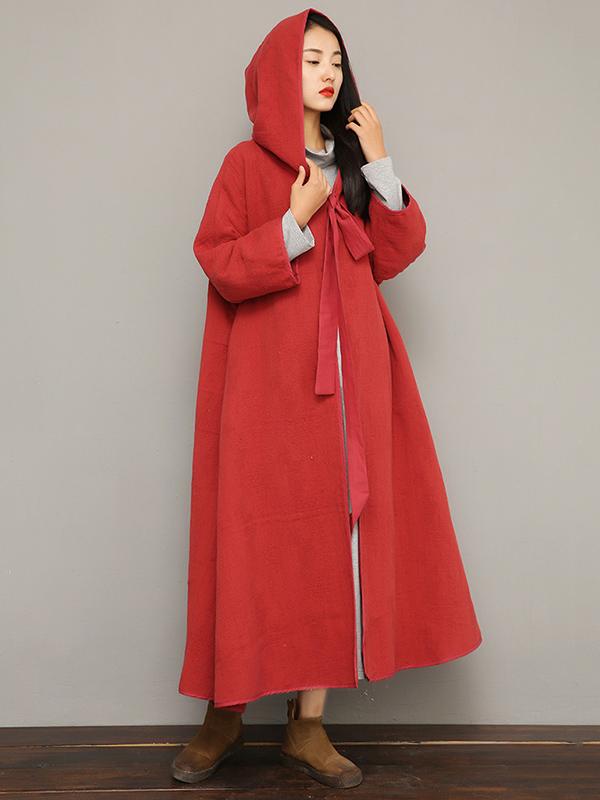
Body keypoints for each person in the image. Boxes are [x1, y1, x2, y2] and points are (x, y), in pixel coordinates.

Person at [172, 7, 482, 790]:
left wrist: (379, 162)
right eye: (311, 58)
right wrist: (295, 219)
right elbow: (220, 263)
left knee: (336, 544)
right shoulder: (246, 166)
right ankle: (223, 715)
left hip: (354, 387)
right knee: (252, 538)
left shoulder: (349, 163)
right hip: (268, 387)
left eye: (336, 60)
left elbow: (395, 254)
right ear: (280, 71)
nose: (327, 71)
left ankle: (307, 725)